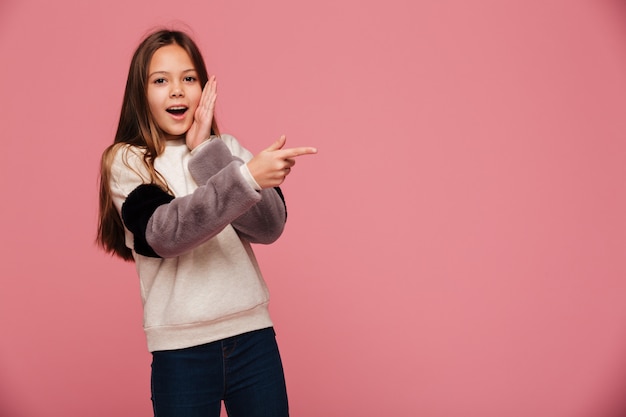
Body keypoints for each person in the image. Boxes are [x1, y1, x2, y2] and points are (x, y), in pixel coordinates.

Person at [96, 28, 316, 417]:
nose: (177, 90)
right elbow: (164, 233)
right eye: (161, 80)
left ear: (204, 87)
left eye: (189, 78)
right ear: (140, 93)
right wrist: (245, 178)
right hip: (181, 351)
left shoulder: (224, 149)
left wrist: (207, 153)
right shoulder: (129, 160)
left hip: (253, 339)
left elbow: (269, 228)